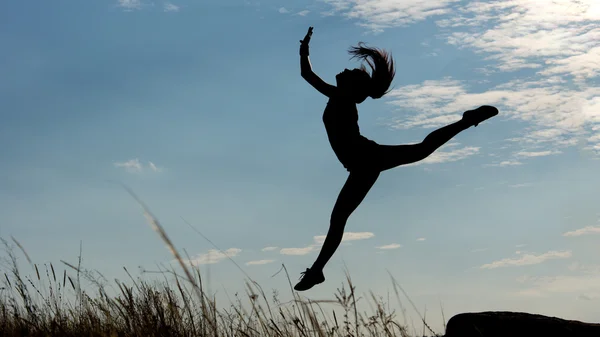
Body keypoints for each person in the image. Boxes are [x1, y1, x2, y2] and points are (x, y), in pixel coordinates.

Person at [295, 27, 498, 291]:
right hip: (362, 164)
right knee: (420, 151)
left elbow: (308, 75)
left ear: (353, 87)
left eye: (351, 73)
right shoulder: (340, 95)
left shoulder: (342, 97)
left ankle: (317, 271)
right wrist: (304, 50)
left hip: (366, 158)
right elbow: (306, 74)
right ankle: (317, 271)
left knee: (419, 151)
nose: (345, 71)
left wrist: (305, 52)